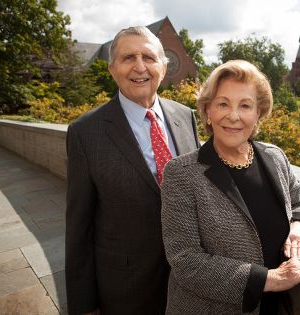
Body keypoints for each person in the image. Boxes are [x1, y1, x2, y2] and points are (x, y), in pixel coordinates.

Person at [161, 60, 300, 314]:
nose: (233, 116)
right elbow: (186, 261)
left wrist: (298, 227)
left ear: (259, 113)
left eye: (245, 105)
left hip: (279, 307)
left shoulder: (274, 157)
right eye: (222, 104)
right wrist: (273, 279)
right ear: (207, 110)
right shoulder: (181, 174)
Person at [65, 26, 200, 315]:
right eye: (128, 58)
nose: (140, 67)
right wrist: (84, 305)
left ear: (163, 67)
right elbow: (79, 227)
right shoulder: (85, 133)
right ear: (113, 69)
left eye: (149, 57)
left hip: (190, 281)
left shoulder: (185, 116)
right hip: (125, 289)